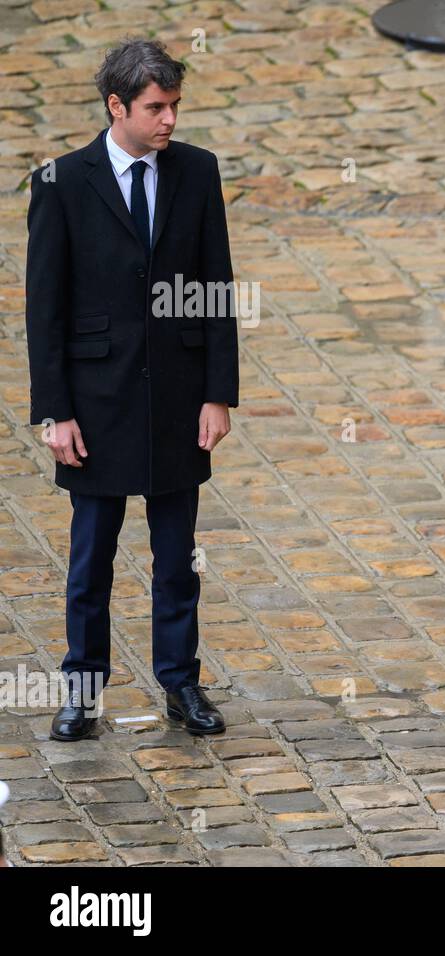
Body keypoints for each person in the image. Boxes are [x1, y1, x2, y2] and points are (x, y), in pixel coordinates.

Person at [25, 37, 238, 741]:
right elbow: (44, 309)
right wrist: (55, 412)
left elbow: (215, 288)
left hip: (178, 401)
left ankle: (182, 684)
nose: (169, 119)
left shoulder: (197, 173)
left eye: (174, 105)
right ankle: (82, 691)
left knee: (178, 559)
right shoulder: (60, 183)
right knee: (91, 561)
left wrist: (217, 394)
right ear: (117, 106)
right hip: (96, 405)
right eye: (156, 107)